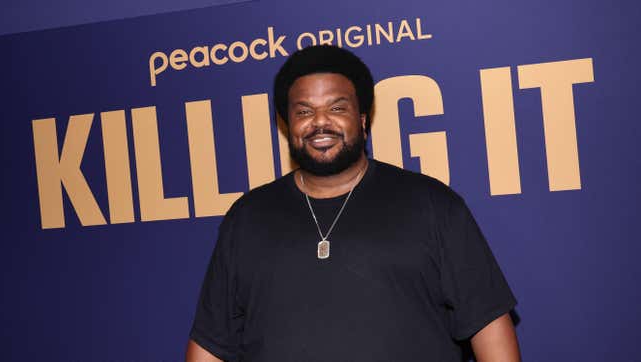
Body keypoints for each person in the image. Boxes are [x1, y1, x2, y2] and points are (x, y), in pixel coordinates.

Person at [186, 45, 520, 362]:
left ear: (361, 118)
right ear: (287, 125)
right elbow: (210, 344)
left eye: (336, 108)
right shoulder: (247, 218)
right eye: (304, 111)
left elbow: (490, 330)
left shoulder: (432, 205)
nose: (319, 122)